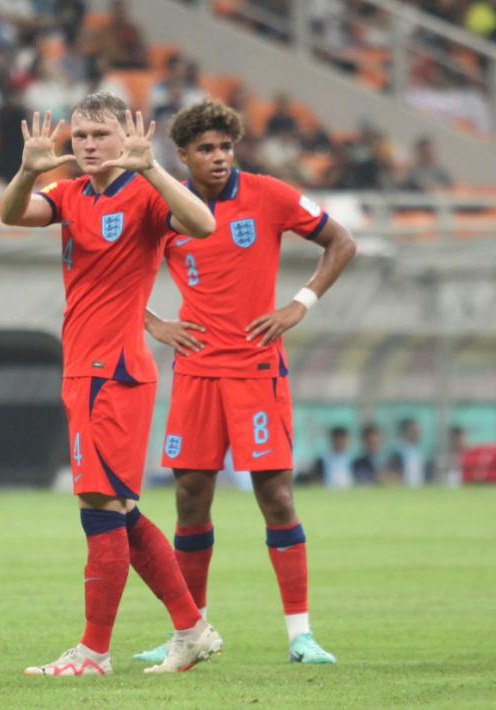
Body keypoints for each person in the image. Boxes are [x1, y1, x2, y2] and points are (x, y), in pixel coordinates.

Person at [0, 92, 220, 676]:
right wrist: (26, 170)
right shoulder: (69, 195)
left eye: (101, 135)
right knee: (118, 509)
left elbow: (203, 221)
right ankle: (191, 628)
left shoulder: (146, 194)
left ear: (126, 137)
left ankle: (94, 652)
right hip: (83, 369)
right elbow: (10, 215)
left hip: (114, 374)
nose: (89, 146)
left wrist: (154, 169)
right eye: (81, 137)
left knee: (99, 506)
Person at [139, 99, 357, 666]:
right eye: (205, 149)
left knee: (276, 495)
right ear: (182, 156)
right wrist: (154, 322)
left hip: (258, 370)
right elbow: (109, 268)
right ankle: (191, 633)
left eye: (225, 147)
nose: (218, 158)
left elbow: (343, 242)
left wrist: (299, 304)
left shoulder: (269, 194)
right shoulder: (163, 205)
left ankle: (301, 635)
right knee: (190, 499)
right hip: (196, 372)